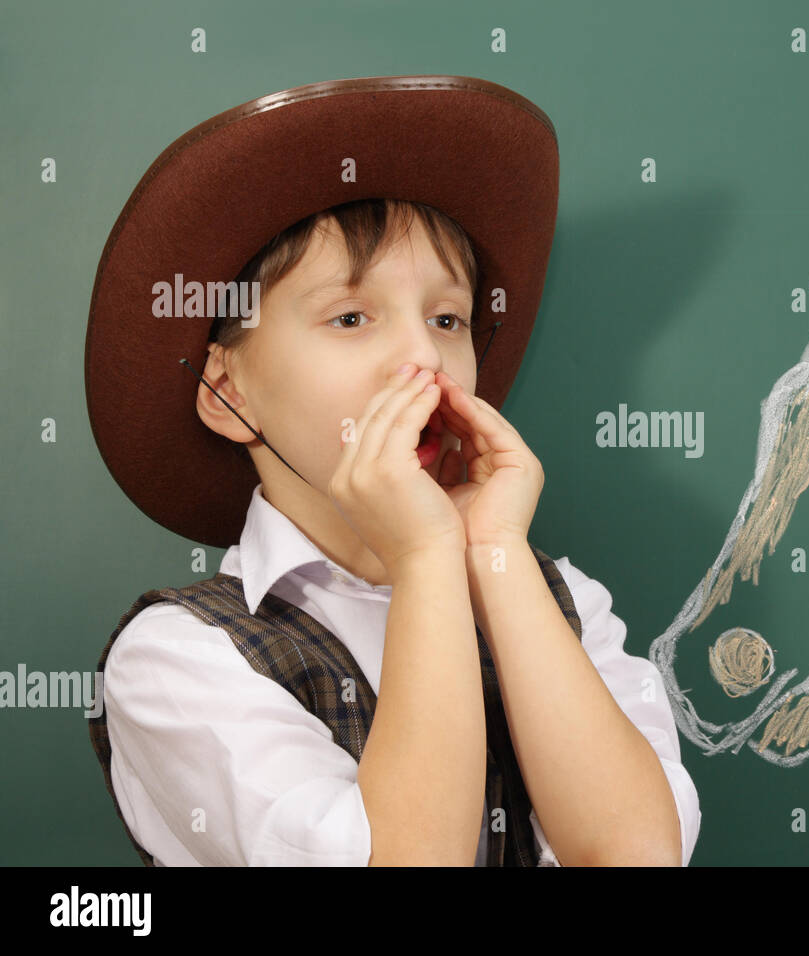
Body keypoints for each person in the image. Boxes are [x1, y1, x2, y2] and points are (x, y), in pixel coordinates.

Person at [84, 75, 701, 866]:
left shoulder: (560, 601)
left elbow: (640, 856)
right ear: (228, 392)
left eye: (448, 319)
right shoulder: (179, 659)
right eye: (349, 317)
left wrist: (489, 549)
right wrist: (422, 558)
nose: (422, 358)